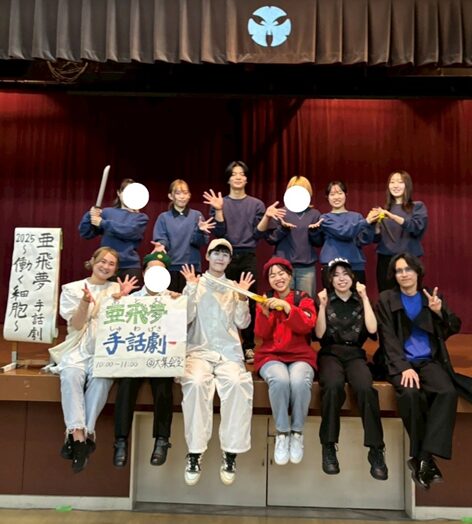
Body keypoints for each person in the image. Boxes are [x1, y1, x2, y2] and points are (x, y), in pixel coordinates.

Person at [375, 253, 462, 490]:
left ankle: (422, 457)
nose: (404, 274)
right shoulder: (386, 298)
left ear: (417, 272)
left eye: (408, 269)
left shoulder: (430, 297)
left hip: (427, 361)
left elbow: (452, 327)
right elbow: (387, 337)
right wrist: (403, 367)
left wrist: (439, 311)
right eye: (399, 271)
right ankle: (424, 460)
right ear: (394, 275)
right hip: (399, 363)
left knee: (447, 392)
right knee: (410, 394)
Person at [51, 247, 138, 473]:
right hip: (78, 346)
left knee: (102, 380)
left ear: (116, 269)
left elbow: (126, 324)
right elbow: (77, 324)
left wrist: (123, 299)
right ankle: (80, 436)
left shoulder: (118, 289)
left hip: (106, 349)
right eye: (102, 261)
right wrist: (84, 302)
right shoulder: (72, 288)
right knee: (71, 375)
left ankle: (79, 437)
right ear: (92, 261)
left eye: (111, 264)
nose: (106, 266)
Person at [178, 238, 254, 487]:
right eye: (216, 253)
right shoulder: (196, 283)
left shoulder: (234, 287)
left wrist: (242, 298)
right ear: (207, 256)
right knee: (195, 383)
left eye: (225, 254)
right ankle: (194, 452)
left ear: (230, 260)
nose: (220, 258)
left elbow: (242, 323)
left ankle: (230, 452)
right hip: (199, 351)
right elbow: (185, 318)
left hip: (228, 353)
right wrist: (190, 289)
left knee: (237, 384)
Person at [315, 258, 388, 480]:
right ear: (330, 280)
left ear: (353, 278)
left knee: (365, 388)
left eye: (345, 274)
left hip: (355, 353)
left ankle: (376, 449)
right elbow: (319, 334)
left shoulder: (361, 301)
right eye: (336, 275)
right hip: (330, 353)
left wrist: (365, 298)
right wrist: (321, 306)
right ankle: (329, 446)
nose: (341, 279)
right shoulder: (325, 300)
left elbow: (372, 329)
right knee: (333, 386)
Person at [113, 251, 176, 468]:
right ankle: (120, 441)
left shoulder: (174, 300)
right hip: (135, 356)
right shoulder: (130, 299)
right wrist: (118, 301)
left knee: (164, 386)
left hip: (160, 357)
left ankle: (162, 440)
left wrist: (183, 303)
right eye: (151, 270)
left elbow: (184, 328)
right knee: (126, 384)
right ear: (143, 272)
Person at [254, 257, 317, 465]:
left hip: (300, 355)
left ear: (290, 276)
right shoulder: (265, 300)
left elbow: (308, 325)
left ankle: (297, 432)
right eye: (272, 275)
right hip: (271, 355)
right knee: (280, 380)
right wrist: (264, 314)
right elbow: (261, 334)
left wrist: (288, 307)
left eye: (281, 273)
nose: (278, 278)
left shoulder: (303, 298)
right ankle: (282, 432)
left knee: (299, 381)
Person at [203, 160, 265, 363]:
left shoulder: (256, 204)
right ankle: (221, 342)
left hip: (247, 255)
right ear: (228, 179)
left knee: (247, 300)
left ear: (246, 179)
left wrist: (267, 217)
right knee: (222, 299)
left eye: (242, 174)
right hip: (224, 256)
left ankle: (248, 346)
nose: (238, 177)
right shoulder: (220, 202)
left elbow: (257, 234)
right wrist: (219, 210)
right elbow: (219, 233)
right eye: (234, 174)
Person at [256, 176, 323, 297]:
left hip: (306, 268)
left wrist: (314, 232)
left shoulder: (314, 214)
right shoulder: (280, 212)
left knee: (306, 301)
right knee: (284, 302)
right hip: (283, 268)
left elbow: (318, 242)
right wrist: (283, 229)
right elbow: (271, 239)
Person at [78, 178, 149, 284]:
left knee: (131, 295)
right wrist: (90, 215)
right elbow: (86, 233)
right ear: (119, 193)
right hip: (106, 266)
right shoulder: (107, 212)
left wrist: (102, 223)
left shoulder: (141, 218)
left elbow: (129, 231)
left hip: (129, 267)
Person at [152, 179, 215, 292]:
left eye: (185, 193)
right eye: (178, 193)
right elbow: (162, 239)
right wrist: (161, 245)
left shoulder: (197, 215)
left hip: (191, 267)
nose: (182, 196)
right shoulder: (164, 217)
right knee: (171, 300)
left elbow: (201, 242)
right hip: (170, 267)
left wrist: (200, 231)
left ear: (189, 195)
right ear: (171, 196)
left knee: (191, 300)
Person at [372, 170, 428, 292]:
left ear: (407, 185)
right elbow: (376, 239)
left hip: (409, 259)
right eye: (392, 182)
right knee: (386, 296)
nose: (395, 185)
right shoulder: (385, 209)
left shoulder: (417, 206)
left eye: (400, 182)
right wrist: (375, 227)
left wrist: (392, 216)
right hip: (385, 260)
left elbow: (416, 228)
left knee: (410, 294)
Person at [319, 181, 378, 288]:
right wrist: (366, 221)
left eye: (340, 193)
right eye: (332, 194)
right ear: (327, 197)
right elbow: (343, 232)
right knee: (332, 298)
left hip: (355, 265)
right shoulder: (324, 218)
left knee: (358, 296)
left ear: (346, 194)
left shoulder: (357, 217)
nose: (336, 197)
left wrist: (372, 224)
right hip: (331, 266)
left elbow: (364, 240)